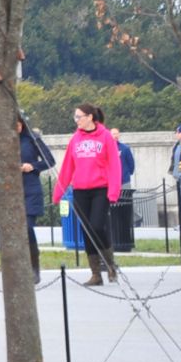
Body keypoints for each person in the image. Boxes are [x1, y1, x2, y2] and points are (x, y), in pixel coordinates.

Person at [54, 102, 123, 285]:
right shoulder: (75, 139)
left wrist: (114, 191)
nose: (76, 121)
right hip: (80, 190)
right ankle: (95, 273)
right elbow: (68, 167)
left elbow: (115, 166)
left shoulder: (106, 136)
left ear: (90, 117)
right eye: (75, 117)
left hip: (100, 188)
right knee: (87, 231)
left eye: (79, 117)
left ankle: (109, 264)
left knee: (97, 226)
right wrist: (57, 193)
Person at [16, 113, 55, 284]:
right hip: (12, 192)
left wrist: (32, 166)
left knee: (27, 227)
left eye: (17, 124)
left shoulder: (33, 139)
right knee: (16, 232)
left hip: (31, 188)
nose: (15, 128)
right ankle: (18, 268)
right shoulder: (3, 140)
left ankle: (34, 267)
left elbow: (49, 161)